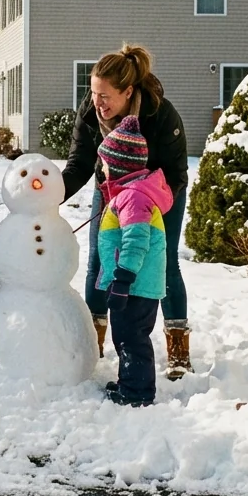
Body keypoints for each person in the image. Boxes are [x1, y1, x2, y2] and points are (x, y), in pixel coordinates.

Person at [61, 44, 192, 380]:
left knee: (163, 262)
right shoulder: (91, 111)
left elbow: (176, 172)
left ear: (128, 91)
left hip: (159, 191)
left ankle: (178, 347)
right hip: (109, 187)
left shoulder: (160, 114)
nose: (97, 103)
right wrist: (51, 195)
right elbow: (78, 164)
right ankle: (95, 338)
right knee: (101, 259)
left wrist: (148, 204)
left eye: (105, 96)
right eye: (92, 93)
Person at [95, 116, 174, 407]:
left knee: (132, 338)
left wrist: (123, 279)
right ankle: (131, 383)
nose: (102, 168)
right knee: (128, 337)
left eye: (104, 162)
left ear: (116, 165)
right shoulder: (129, 194)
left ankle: (137, 393)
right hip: (136, 283)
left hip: (135, 285)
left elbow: (136, 240)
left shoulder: (134, 197)